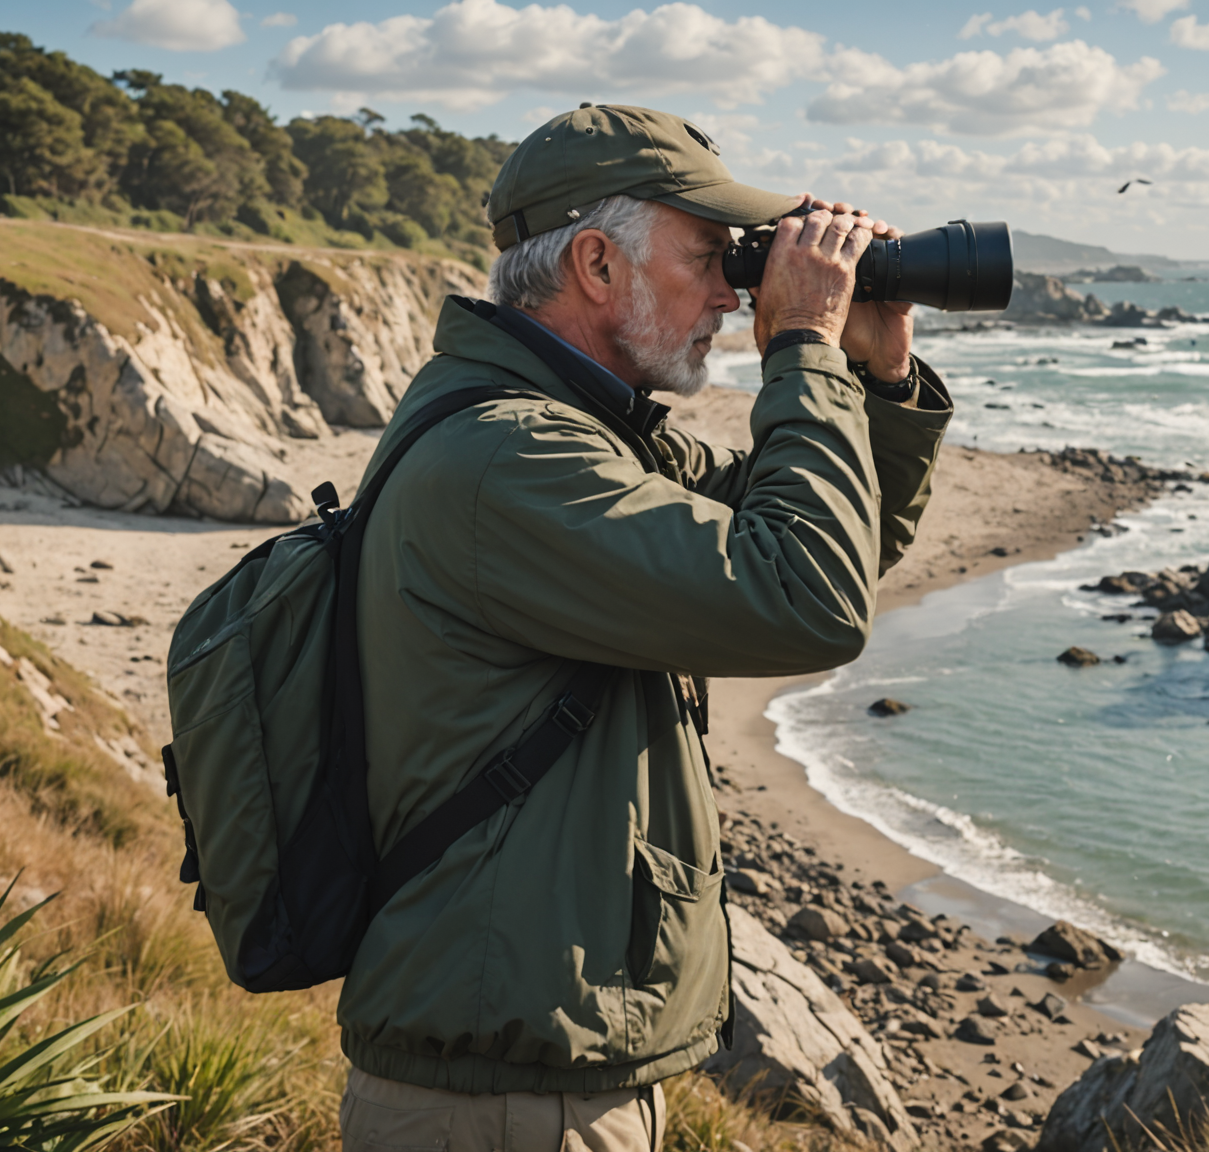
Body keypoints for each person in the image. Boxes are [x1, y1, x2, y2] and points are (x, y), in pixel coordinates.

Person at [337, 103, 953, 1152]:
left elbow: (827, 540)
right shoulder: (510, 462)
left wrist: (878, 376)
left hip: (537, 1075)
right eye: (711, 257)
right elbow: (803, 598)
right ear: (596, 264)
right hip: (505, 1104)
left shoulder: (578, 438)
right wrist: (801, 343)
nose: (730, 291)